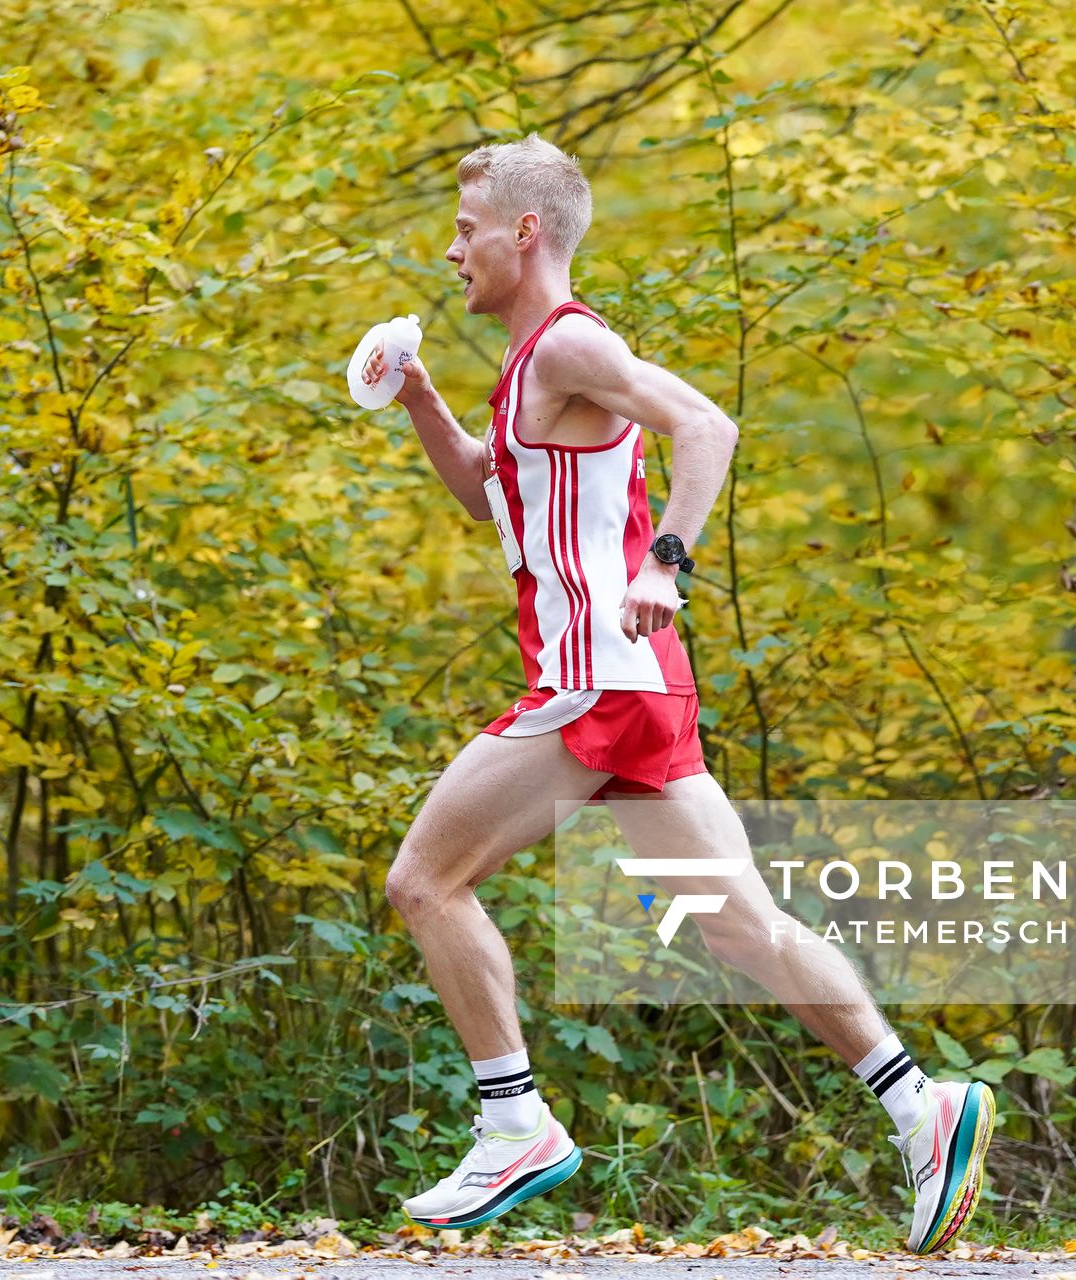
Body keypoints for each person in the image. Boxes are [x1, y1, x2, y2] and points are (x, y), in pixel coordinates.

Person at [360, 133, 994, 1253]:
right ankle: (922, 1106)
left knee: (425, 878)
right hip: (634, 685)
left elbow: (707, 423)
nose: (450, 249)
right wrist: (415, 393)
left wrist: (670, 559)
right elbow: (485, 491)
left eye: (466, 229)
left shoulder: (571, 345)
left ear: (524, 232)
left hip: (597, 677)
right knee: (744, 927)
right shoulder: (527, 369)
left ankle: (514, 1121)